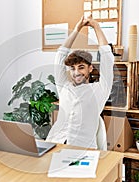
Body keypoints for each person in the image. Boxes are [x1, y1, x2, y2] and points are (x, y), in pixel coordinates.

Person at [46, 15, 114, 149]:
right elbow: (60, 55)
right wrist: (77, 29)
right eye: (73, 68)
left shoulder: (100, 90)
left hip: (82, 150)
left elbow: (107, 57)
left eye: (81, 67)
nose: (76, 72)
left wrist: (96, 26)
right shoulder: (64, 87)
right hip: (53, 144)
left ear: (90, 68)